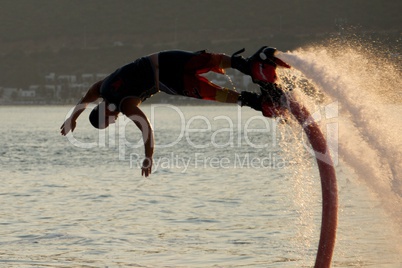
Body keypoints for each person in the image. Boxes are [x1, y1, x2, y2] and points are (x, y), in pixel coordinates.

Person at [60, 47, 291, 177]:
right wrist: (72, 118)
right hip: (164, 59)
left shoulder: (124, 105)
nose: (115, 121)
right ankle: (252, 68)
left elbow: (146, 130)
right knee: (208, 60)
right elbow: (83, 100)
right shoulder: (100, 88)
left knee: (210, 92)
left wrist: (148, 158)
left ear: (106, 113)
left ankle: (257, 98)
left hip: (167, 78)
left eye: (109, 122)